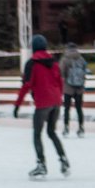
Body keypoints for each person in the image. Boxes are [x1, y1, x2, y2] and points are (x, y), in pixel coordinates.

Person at [13, 34, 69, 179]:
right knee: (51, 132)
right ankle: (63, 160)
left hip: (43, 103)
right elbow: (60, 82)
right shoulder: (54, 62)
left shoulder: (31, 63)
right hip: (55, 102)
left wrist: (17, 105)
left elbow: (26, 85)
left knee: (37, 134)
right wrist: (59, 98)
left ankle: (41, 164)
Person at [61, 42, 88, 138]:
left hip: (68, 88)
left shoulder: (65, 59)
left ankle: (66, 127)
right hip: (79, 88)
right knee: (79, 109)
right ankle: (81, 128)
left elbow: (62, 72)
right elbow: (85, 71)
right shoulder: (81, 59)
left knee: (67, 109)